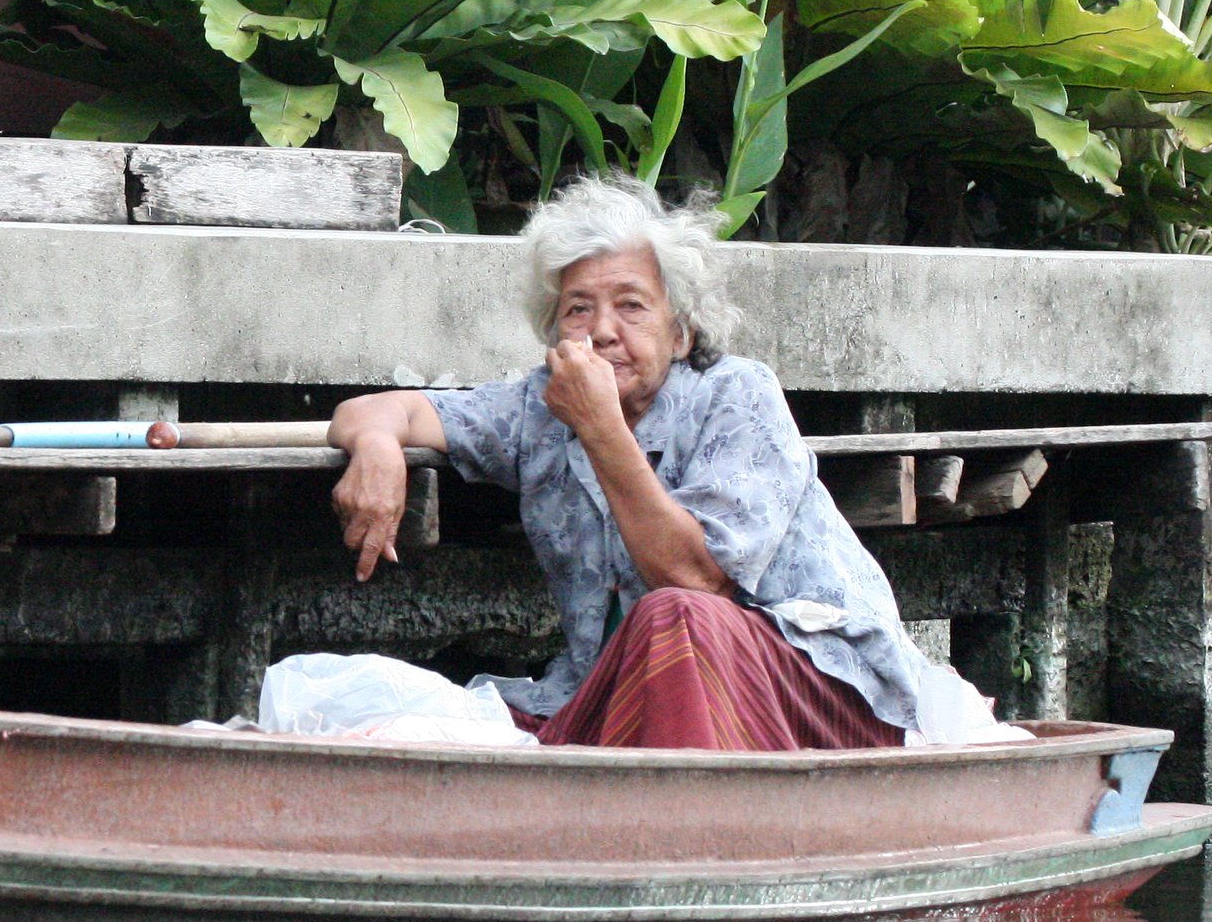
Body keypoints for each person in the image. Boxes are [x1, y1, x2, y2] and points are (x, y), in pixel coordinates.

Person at [328, 175, 958, 752]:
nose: (601, 331)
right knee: (383, 717)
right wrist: (380, 446)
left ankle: (681, 833)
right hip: (637, 688)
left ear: (679, 333)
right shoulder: (538, 407)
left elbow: (695, 577)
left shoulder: (738, 395)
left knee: (674, 619)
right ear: (556, 339)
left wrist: (600, 424)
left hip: (825, 691)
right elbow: (378, 411)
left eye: (631, 305)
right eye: (578, 309)